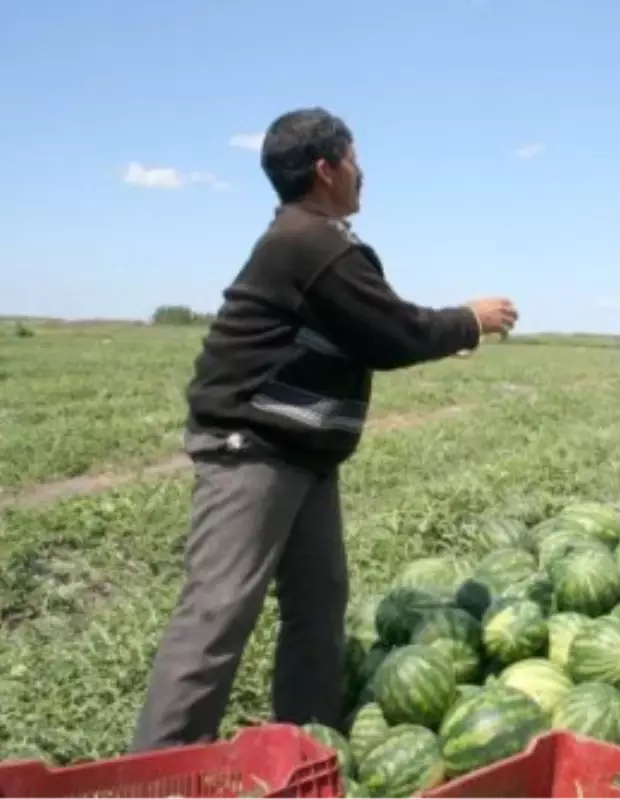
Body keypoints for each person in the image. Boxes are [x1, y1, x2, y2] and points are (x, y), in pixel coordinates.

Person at [130, 107, 518, 751]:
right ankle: (154, 774)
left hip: (299, 454)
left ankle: (306, 746)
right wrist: (470, 319)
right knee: (217, 616)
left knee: (319, 605)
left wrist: (433, 337)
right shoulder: (312, 243)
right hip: (251, 448)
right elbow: (395, 332)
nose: (362, 174)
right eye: (355, 159)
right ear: (326, 168)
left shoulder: (313, 239)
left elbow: (371, 329)